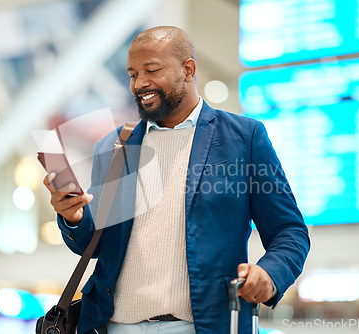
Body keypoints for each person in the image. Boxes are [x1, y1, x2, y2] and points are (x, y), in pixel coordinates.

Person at [43, 26, 310, 334]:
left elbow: (290, 231)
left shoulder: (243, 138)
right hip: (115, 326)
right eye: (132, 75)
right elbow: (99, 245)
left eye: (151, 70)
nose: (140, 84)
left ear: (188, 69)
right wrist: (74, 217)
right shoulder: (115, 146)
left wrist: (269, 274)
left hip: (204, 326)